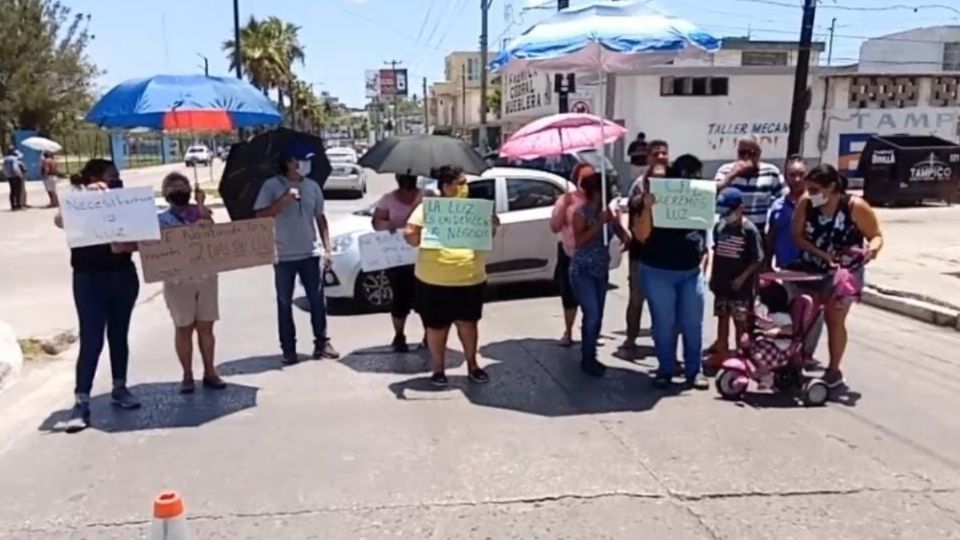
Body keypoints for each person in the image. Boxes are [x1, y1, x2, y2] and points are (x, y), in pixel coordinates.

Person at [53, 159, 141, 433]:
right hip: (88, 280)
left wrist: (128, 244)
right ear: (92, 178)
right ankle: (81, 401)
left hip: (122, 277)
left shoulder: (124, 201)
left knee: (119, 336)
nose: (115, 181)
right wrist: (87, 196)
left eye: (117, 177)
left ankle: (120, 387)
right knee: (91, 339)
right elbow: (59, 220)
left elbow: (143, 236)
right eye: (110, 176)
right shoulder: (78, 200)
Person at [404, 165, 498, 387]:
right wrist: (412, 233)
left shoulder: (475, 209)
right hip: (433, 280)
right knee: (437, 327)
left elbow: (488, 236)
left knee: (469, 325)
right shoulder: (428, 209)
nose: (465, 187)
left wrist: (492, 225)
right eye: (461, 183)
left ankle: (473, 365)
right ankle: (438, 369)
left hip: (470, 278)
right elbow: (411, 236)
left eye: (465, 182)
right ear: (446, 187)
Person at [792, 163, 883, 388]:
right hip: (812, 268)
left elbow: (876, 235)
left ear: (831, 187)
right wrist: (821, 254)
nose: (810, 194)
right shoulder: (807, 204)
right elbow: (798, 235)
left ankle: (834, 370)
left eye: (815, 190)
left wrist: (873, 249)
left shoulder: (855, 207)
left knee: (835, 319)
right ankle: (797, 361)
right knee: (805, 316)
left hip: (845, 274)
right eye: (808, 189)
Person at [254, 145, 339, 365]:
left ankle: (322, 342)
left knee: (317, 300)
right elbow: (260, 216)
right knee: (284, 303)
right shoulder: (271, 186)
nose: (306, 165)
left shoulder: (312, 187)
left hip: (310, 253)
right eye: (302, 160)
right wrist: (282, 200)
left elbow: (320, 218)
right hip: (282, 256)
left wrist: (327, 249)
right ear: (290, 162)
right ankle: (288, 349)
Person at [632, 157, 710, 390]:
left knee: (692, 322)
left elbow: (704, 231)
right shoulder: (641, 202)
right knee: (664, 323)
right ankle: (665, 369)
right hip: (658, 271)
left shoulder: (691, 196)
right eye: (654, 179)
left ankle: (694, 371)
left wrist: (705, 259)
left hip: (690, 271)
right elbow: (642, 236)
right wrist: (647, 207)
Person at [157, 172, 227, 393]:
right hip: (178, 281)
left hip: (205, 277)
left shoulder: (202, 213)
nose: (179, 191)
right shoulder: (161, 220)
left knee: (206, 327)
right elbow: (159, 249)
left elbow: (214, 240)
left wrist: (202, 209)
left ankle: (210, 371)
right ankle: (187, 375)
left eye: (183, 186)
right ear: (166, 194)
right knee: (183, 327)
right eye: (173, 188)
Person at [570, 173, 629, 376]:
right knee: (592, 314)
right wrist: (599, 224)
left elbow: (619, 231)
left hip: (600, 270)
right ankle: (587, 357)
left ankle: (591, 353)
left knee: (598, 316)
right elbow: (580, 241)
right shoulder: (581, 213)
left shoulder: (608, 212)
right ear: (595, 192)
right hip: (583, 270)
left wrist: (624, 235)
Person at [766, 155, 823, 363]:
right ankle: (791, 352)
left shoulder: (817, 203)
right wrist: (766, 265)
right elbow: (771, 236)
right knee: (791, 313)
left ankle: (806, 354)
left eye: (801, 174)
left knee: (814, 314)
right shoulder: (778, 205)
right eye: (793, 175)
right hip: (787, 269)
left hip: (813, 269)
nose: (797, 179)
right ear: (786, 177)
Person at [621, 140, 669, 352]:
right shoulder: (639, 184)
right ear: (648, 157)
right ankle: (631, 337)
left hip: (667, 254)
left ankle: (663, 341)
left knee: (663, 303)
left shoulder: (676, 183)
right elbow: (632, 210)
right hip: (641, 253)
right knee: (636, 299)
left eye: (663, 153)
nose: (660, 157)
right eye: (656, 153)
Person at [707, 187, 764, 359]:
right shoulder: (720, 227)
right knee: (722, 317)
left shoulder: (750, 231)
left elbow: (757, 259)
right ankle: (722, 348)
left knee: (740, 321)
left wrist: (742, 278)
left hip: (741, 287)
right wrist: (712, 277)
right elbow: (716, 252)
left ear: (740, 209)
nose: (725, 216)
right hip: (721, 283)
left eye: (729, 212)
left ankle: (742, 354)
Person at [373, 172, 425, 352]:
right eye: (403, 176)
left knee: (425, 300)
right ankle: (399, 336)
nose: (407, 179)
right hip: (397, 259)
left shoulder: (428, 196)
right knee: (399, 300)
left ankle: (428, 336)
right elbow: (376, 223)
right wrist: (390, 225)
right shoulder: (387, 199)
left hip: (423, 258)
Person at [549, 162, 594, 347]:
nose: (588, 183)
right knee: (569, 296)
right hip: (569, 253)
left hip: (591, 255)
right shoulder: (566, 199)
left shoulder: (598, 199)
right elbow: (554, 227)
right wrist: (565, 206)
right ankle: (568, 331)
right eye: (584, 179)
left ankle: (590, 334)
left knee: (591, 297)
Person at [715, 136, 784, 229]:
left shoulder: (771, 172)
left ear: (759, 153)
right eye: (742, 153)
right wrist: (732, 175)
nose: (746, 157)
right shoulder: (725, 170)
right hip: (730, 232)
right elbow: (713, 194)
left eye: (751, 153)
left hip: (759, 232)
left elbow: (781, 202)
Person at [3, 147, 25, 211]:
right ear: (13, 152)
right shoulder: (14, 159)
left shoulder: (6, 159)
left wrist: (7, 175)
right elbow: (15, 167)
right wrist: (19, 174)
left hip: (9, 177)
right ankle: (18, 205)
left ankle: (13, 205)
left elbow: (4, 168)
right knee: (18, 191)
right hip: (16, 176)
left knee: (12, 191)